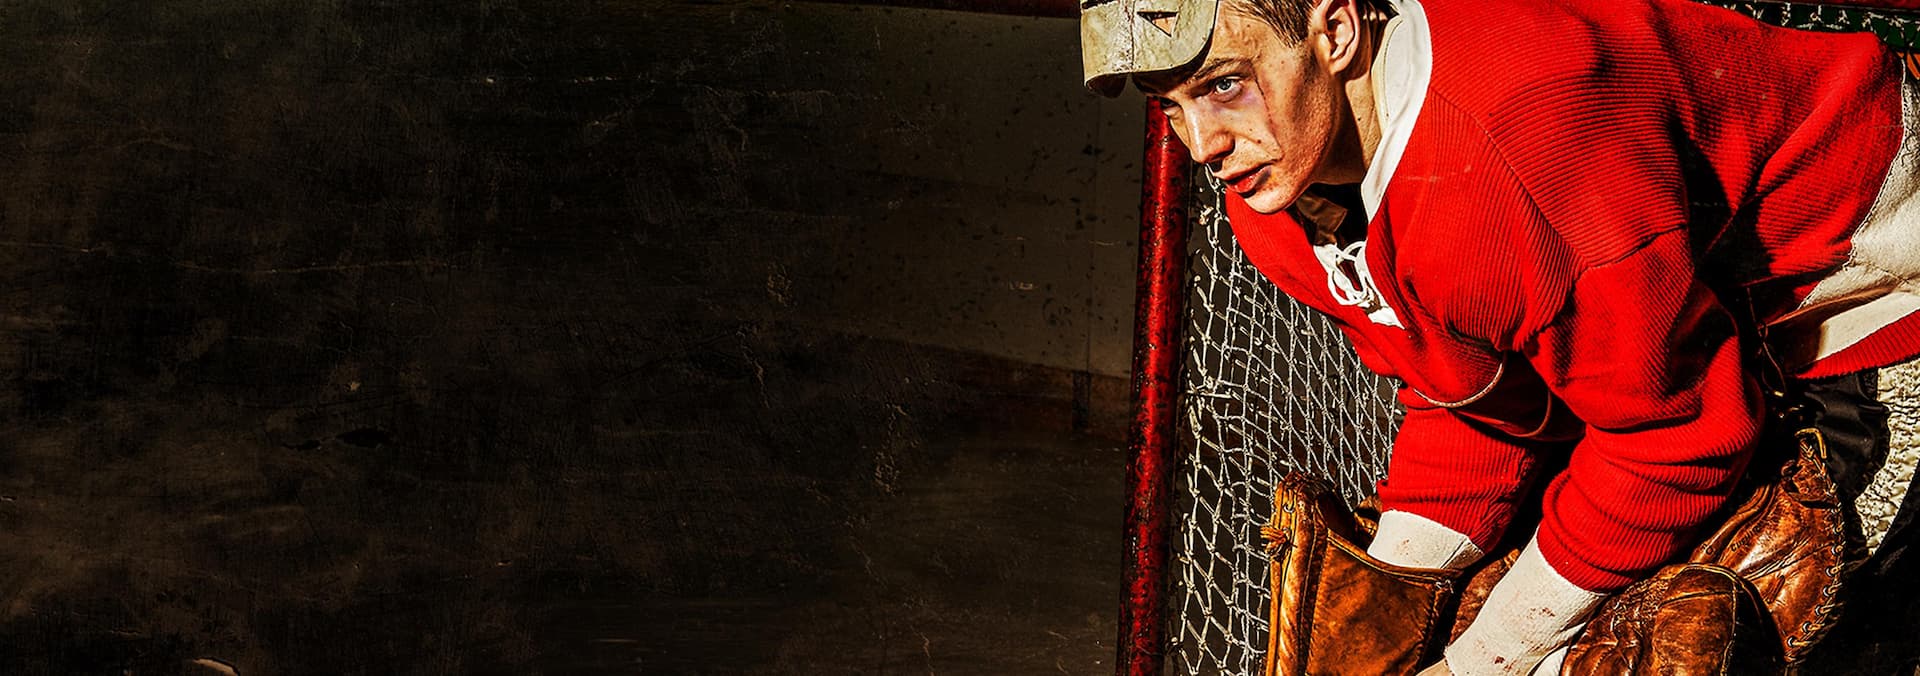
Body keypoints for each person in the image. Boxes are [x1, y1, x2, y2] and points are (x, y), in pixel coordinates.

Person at [1079, 0, 1920, 673]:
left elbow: (1677, 440)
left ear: (1334, 31)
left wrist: (1486, 659)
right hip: (1700, 328)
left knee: (1805, 633)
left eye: (1225, 85)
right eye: (1171, 105)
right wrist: (1401, 573)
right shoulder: (1275, 194)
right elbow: (1483, 404)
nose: (1202, 144)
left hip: (1876, 295)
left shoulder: (1511, 147)